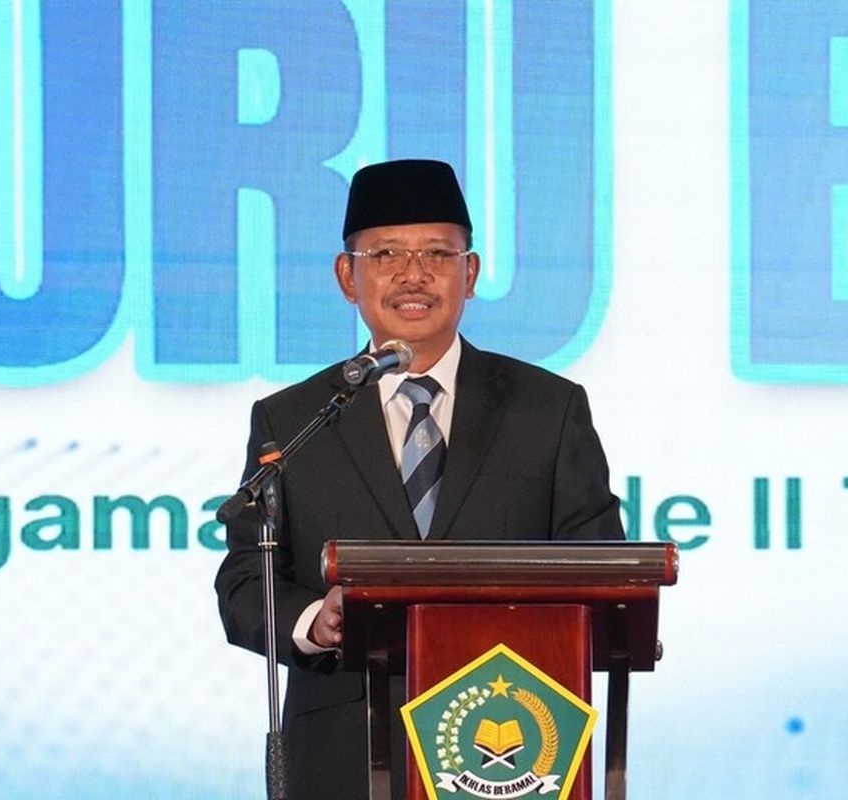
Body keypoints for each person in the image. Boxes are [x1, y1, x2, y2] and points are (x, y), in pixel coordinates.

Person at [215, 159, 624, 800]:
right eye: (386, 254)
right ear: (347, 276)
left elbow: (602, 568)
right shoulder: (294, 421)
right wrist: (313, 621)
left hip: (513, 746)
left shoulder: (548, 409)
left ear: (471, 273)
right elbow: (245, 581)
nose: (414, 274)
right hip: (344, 754)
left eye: (437, 253)